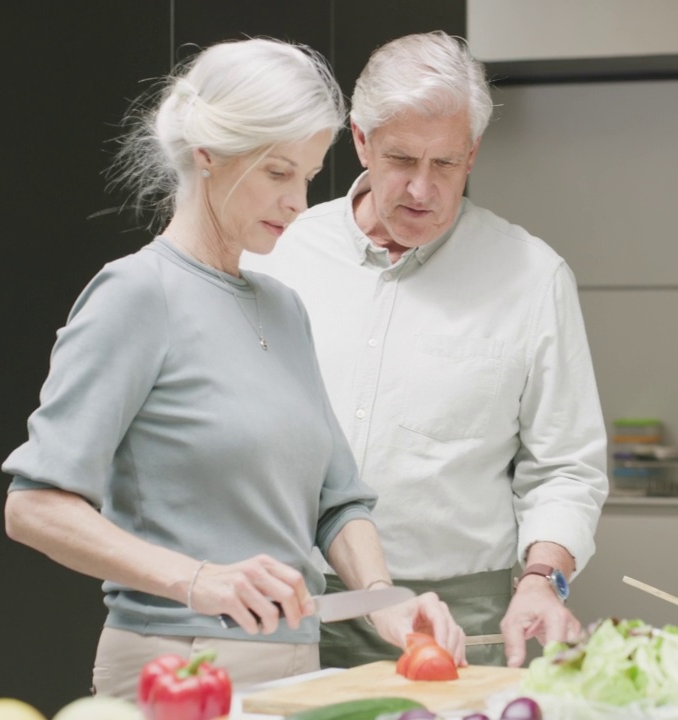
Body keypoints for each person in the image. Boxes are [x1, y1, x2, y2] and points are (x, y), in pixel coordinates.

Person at [1, 37, 465, 701]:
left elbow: (338, 501)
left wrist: (385, 599)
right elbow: (34, 507)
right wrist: (200, 580)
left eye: (307, 175)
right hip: (178, 667)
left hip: (298, 670)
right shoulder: (136, 295)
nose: (300, 202)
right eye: (279, 173)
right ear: (208, 155)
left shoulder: (282, 308)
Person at [241, 31, 608, 669]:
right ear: (360, 140)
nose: (421, 189)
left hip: (456, 621)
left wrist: (541, 578)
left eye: (445, 164)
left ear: (473, 153)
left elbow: (567, 468)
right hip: (282, 607)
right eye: (401, 159)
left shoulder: (532, 276)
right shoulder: (279, 252)